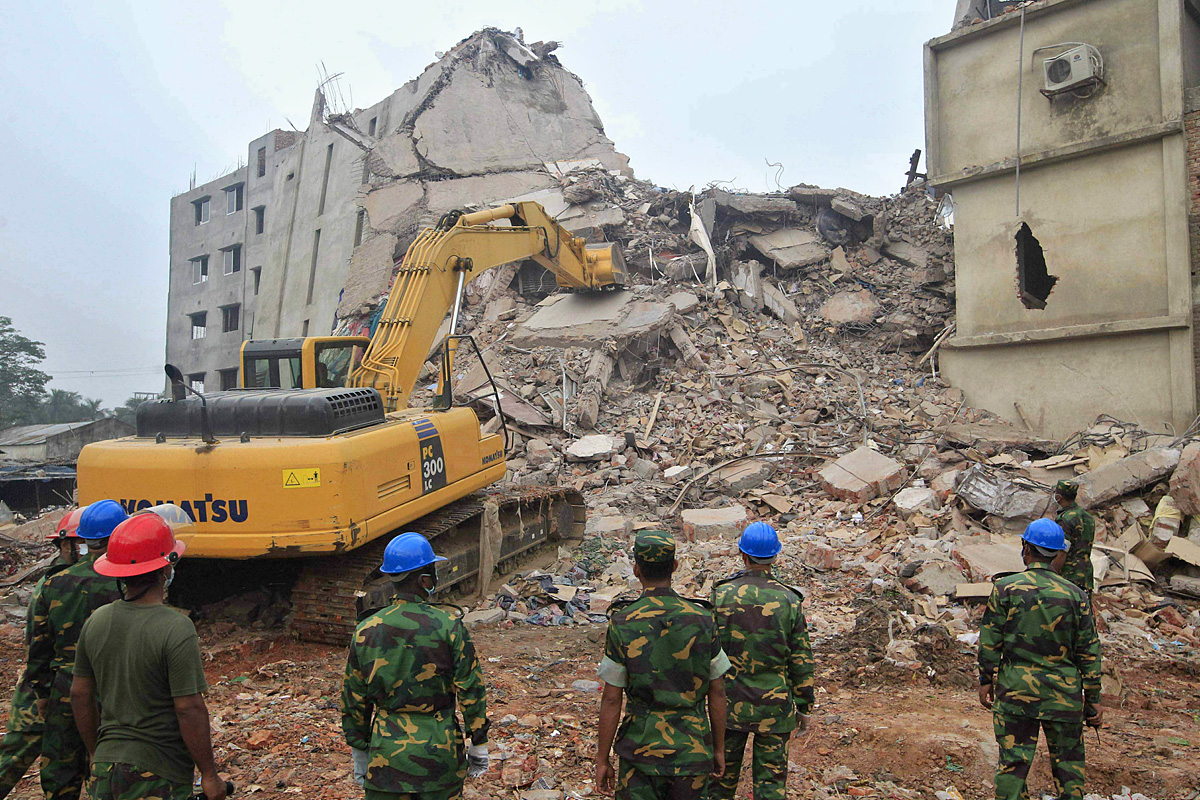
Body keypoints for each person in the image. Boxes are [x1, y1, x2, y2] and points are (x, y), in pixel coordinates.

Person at [71, 508, 226, 800]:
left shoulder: (96, 621)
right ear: (166, 569)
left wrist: (95, 753)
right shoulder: (176, 628)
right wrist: (209, 774)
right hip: (158, 773)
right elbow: (188, 707)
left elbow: (80, 694)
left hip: (105, 768)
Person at [341, 532, 490, 800]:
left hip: (386, 762)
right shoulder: (448, 626)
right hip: (439, 759)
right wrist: (478, 741)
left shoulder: (366, 630)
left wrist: (359, 750)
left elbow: (354, 698)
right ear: (425, 580)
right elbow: (471, 689)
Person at [595, 530, 729, 799]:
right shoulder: (703, 619)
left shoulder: (623, 622)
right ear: (675, 567)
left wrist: (602, 758)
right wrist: (718, 749)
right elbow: (718, 692)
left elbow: (611, 698)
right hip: (691, 750)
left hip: (640, 752)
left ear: (636, 569)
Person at [978, 518, 1103, 800]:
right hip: (1064, 697)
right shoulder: (1076, 595)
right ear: (1058, 554)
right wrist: (1093, 699)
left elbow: (989, 641)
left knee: (1012, 766)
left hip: (1015, 693)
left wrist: (986, 679)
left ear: (1026, 549)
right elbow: (1089, 651)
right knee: (1069, 769)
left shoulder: (1005, 588)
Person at [27, 499, 126, 800]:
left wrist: (42, 693)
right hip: (116, 688)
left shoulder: (54, 583)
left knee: (61, 771)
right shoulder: (127, 581)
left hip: (65, 688)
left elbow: (39, 647)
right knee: (113, 769)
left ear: (82, 539)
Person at [709, 522, 814, 800]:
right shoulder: (789, 600)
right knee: (771, 788)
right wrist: (803, 705)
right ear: (775, 557)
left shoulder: (721, 595)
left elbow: (706, 654)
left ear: (742, 554)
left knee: (719, 781)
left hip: (727, 707)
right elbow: (801, 659)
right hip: (775, 709)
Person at [0, 507, 85, 798]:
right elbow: (36, 646)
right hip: (45, 685)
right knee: (16, 754)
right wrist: (41, 692)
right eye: (81, 543)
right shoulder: (51, 585)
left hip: (73, 686)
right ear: (64, 546)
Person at [1054, 481, 1096, 594]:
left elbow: (1062, 551)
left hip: (1069, 575)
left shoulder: (1065, 519)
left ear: (1059, 497)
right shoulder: (1088, 517)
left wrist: (1052, 575)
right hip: (1086, 573)